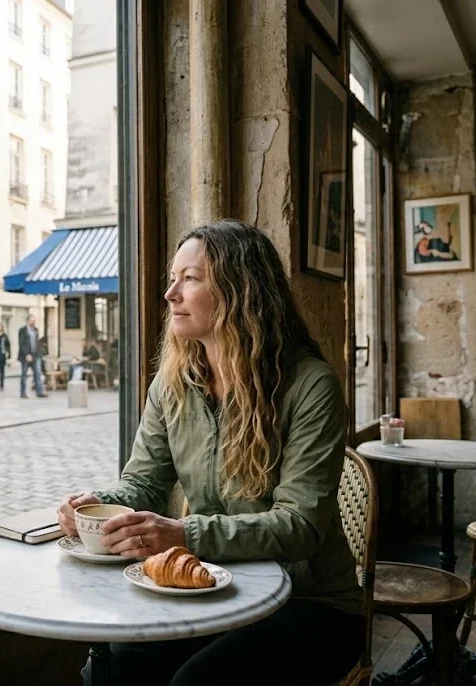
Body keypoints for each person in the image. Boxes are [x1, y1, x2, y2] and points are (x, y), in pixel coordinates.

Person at [57, 220, 363, 686]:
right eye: (171, 279)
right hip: (214, 586)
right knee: (116, 665)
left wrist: (183, 536)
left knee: (197, 682)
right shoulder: (173, 383)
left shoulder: (309, 385)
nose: (170, 294)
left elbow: (299, 527)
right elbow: (143, 483)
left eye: (191, 278)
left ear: (242, 290)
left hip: (311, 603)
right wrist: (95, 507)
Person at [17, 314, 46, 399]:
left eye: (34, 320)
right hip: (25, 356)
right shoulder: (22, 330)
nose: (33, 322)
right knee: (24, 374)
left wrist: (39, 353)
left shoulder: (36, 330)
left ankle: (39, 391)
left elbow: (37, 343)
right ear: (28, 321)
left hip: (35, 355)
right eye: (32, 320)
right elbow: (21, 343)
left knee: (38, 373)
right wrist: (26, 354)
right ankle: (23, 392)